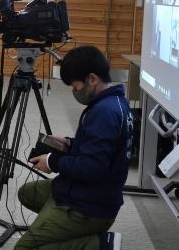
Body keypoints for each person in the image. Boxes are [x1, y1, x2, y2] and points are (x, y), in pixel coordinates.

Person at [15, 46, 133, 250]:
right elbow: (99, 148)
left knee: (24, 248)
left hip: (90, 206)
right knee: (27, 193)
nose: (73, 92)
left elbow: (92, 168)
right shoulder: (112, 102)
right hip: (83, 191)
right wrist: (70, 143)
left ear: (92, 79)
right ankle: (56, 225)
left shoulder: (105, 112)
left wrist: (53, 161)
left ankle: (99, 244)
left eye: (75, 87)